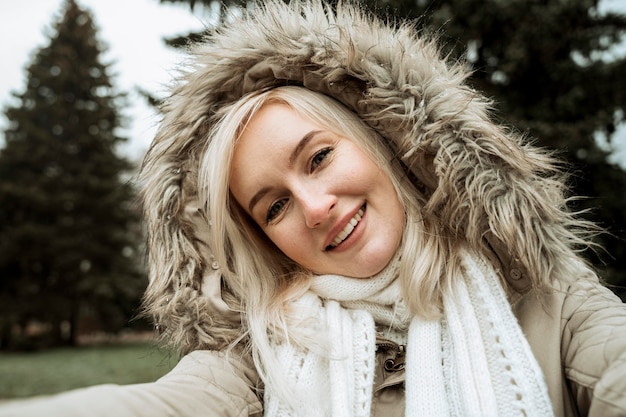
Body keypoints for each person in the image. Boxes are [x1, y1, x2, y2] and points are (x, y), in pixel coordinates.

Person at [1, 1, 625, 416]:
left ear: (387, 145)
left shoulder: (549, 298)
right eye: (273, 208)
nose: (316, 207)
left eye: (319, 157)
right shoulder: (257, 360)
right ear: (266, 243)